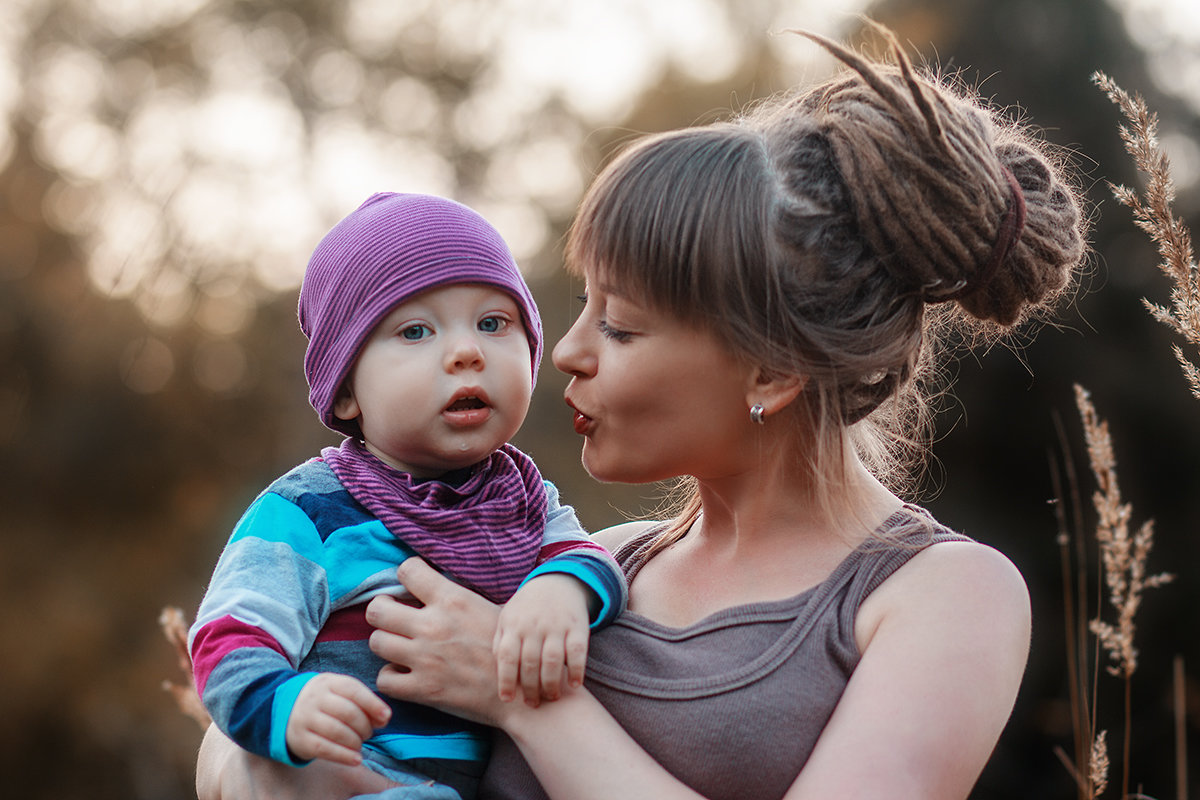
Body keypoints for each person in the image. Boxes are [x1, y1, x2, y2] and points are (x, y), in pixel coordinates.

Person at [196, 24, 1087, 800]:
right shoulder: (588, 565)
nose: (567, 354)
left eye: (618, 327)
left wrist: (520, 698)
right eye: (579, 309)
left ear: (772, 370)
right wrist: (255, 769)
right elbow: (263, 693)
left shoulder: (944, 596)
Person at [189, 192, 627, 800]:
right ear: (347, 394)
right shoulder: (309, 511)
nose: (467, 351)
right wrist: (283, 704)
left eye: (493, 323)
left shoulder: (523, 496)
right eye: (415, 330)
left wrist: (561, 590)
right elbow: (230, 633)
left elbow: (587, 556)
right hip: (360, 771)